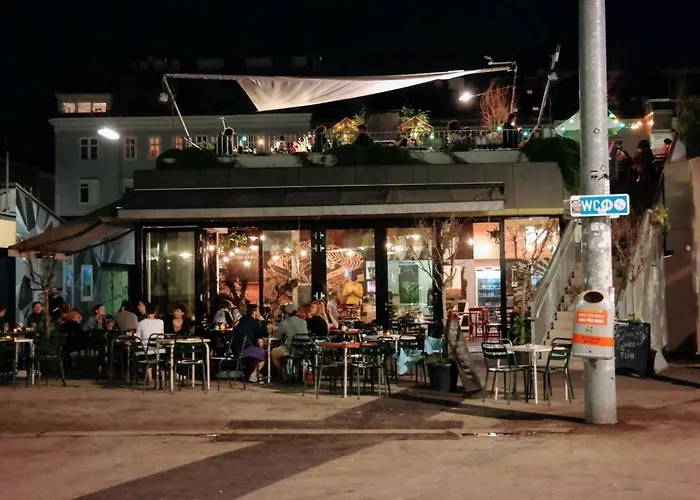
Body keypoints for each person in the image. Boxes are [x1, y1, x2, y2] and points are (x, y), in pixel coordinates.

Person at [270, 304, 309, 376]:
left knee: (273, 353)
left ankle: (282, 374)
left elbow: (277, 336)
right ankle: (296, 374)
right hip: (303, 349)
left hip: (291, 350)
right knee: (297, 357)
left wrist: (274, 329)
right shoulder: (304, 322)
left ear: (286, 313)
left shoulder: (284, 322)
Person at [235, 303, 267, 383]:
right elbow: (263, 333)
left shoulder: (242, 319)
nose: (259, 313)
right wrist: (263, 322)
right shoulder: (254, 322)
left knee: (258, 350)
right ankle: (253, 375)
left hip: (236, 347)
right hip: (245, 348)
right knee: (264, 354)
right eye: (258, 311)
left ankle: (255, 373)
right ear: (254, 312)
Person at [136, 302, 164, 383]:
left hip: (144, 352)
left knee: (147, 355)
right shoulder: (161, 322)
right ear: (155, 312)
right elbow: (161, 337)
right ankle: (162, 377)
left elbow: (137, 340)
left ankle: (150, 378)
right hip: (158, 351)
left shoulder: (140, 323)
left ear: (146, 312)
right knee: (162, 355)